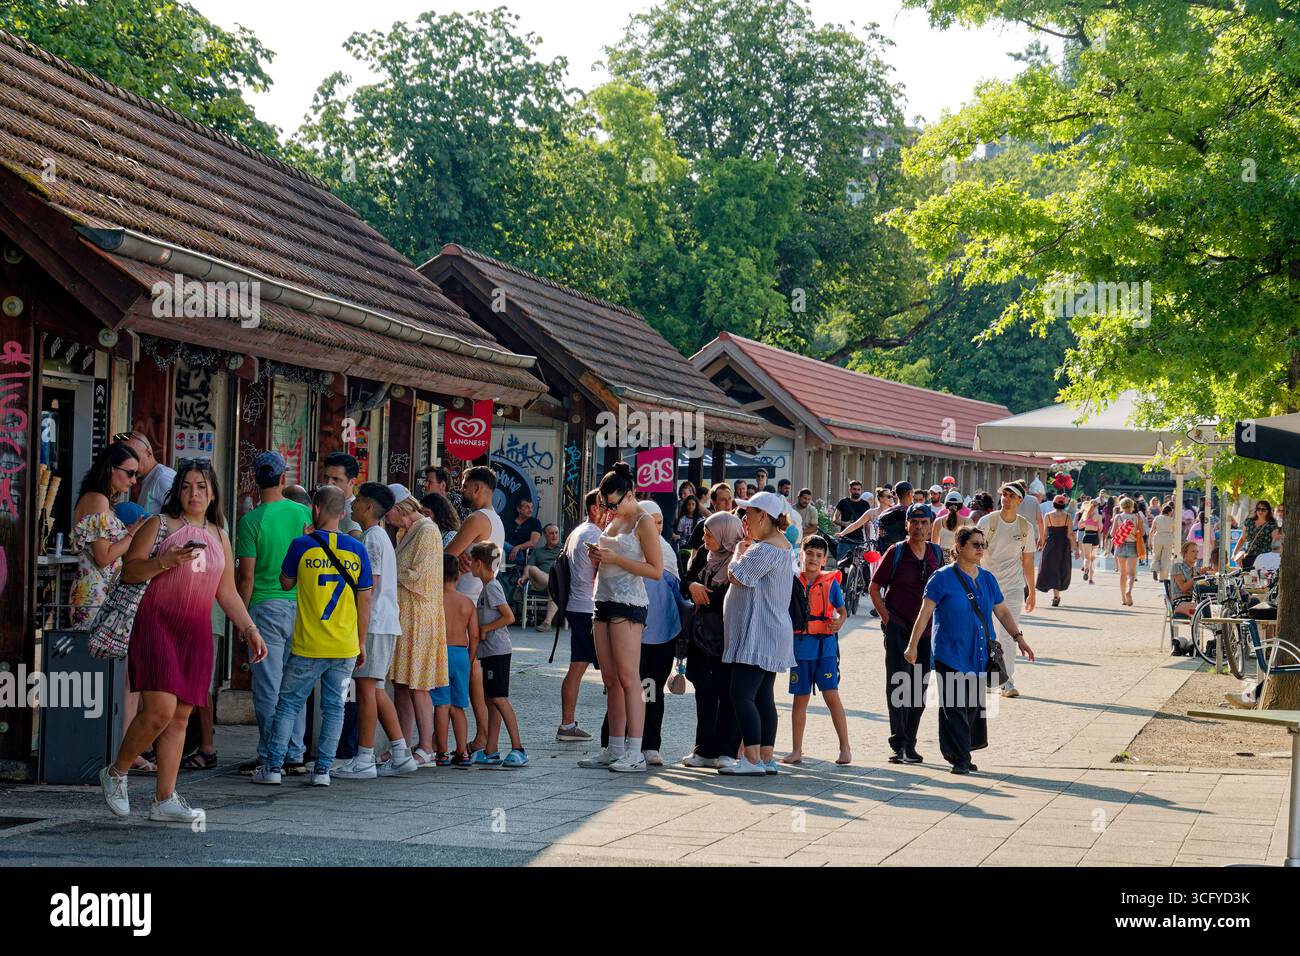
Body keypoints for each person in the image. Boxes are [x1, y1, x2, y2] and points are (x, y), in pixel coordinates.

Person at [100, 460, 267, 821]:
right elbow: (129, 571)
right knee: (159, 711)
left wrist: (249, 628)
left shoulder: (218, 534)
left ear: (213, 493)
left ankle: (165, 800)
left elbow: (228, 593)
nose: (195, 494)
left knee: (180, 717)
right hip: (156, 624)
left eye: (202, 487)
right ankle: (116, 772)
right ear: (178, 491)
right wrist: (164, 561)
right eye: (188, 486)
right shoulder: (158, 525)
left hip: (195, 631)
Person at [251, 485, 371, 787]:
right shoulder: (358, 550)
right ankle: (323, 772)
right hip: (344, 646)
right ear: (343, 513)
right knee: (335, 707)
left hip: (307, 645)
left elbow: (285, 582)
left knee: (288, 704)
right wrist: (362, 642)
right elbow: (365, 600)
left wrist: (307, 538)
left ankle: (274, 768)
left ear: (314, 510)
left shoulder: (301, 545)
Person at [905, 526, 1035, 774]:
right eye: (975, 544)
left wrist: (1019, 638)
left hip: (979, 654)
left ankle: (962, 752)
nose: (980, 549)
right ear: (959, 547)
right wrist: (912, 646)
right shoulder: (942, 578)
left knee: (971, 707)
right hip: (949, 652)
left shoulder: (987, 578)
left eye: (982, 545)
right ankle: (960, 759)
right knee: (954, 706)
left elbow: (1003, 612)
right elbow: (925, 614)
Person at [577, 462, 664, 772]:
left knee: (629, 677)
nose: (610, 509)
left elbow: (655, 570)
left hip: (628, 601)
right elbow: (611, 556)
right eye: (606, 504)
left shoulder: (643, 521)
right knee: (610, 679)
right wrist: (598, 556)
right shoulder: (614, 519)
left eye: (614, 503)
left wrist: (617, 559)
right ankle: (613, 747)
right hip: (603, 598)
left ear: (630, 494)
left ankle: (635, 750)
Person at [234, 451, 313, 777]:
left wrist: (243, 620)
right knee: (296, 684)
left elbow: (247, 576)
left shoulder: (251, 521)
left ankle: (271, 752)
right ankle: (294, 752)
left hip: (265, 608)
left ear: (256, 479)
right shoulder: (303, 513)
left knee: (268, 685)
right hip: (302, 606)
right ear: (283, 479)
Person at [332, 483, 418, 779]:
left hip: (374, 622)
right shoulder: (378, 536)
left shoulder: (371, 539)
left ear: (369, 507)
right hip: (382, 622)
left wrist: (358, 629)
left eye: (357, 502)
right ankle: (400, 753)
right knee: (376, 689)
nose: (351, 506)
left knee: (366, 690)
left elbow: (368, 585)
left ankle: (365, 757)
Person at [598, 500, 686, 766]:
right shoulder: (626, 540)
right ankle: (613, 742)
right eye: (651, 520)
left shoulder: (666, 551)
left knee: (651, 688)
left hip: (660, 631)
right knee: (622, 683)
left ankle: (648, 744)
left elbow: (671, 591)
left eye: (659, 522)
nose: (655, 527)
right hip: (630, 626)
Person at [716, 491, 795, 776]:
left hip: (759, 632)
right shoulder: (779, 546)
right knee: (762, 696)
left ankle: (751, 759)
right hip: (769, 631)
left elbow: (737, 575)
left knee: (742, 693)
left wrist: (738, 552)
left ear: (764, 516)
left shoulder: (766, 549)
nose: (744, 520)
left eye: (748, 514)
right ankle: (765, 757)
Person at [870, 504, 944, 764]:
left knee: (919, 688)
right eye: (914, 522)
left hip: (926, 632)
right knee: (898, 684)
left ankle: (911, 743)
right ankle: (897, 743)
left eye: (924, 523)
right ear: (906, 525)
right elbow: (874, 587)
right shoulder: (896, 552)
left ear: (930, 525)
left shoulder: (936, 553)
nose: (919, 527)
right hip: (899, 627)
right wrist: (888, 619)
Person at [445, 466, 505, 752]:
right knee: (473, 671)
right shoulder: (496, 520)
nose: (463, 490)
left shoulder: (477, 518)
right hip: (476, 599)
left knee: (469, 672)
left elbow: (446, 555)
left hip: (464, 599)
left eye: (466, 486)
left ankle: (479, 735)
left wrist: (456, 560)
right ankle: (482, 736)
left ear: (479, 488)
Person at [385, 485, 445, 767]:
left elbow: (419, 576)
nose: (386, 519)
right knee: (401, 683)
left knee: (417, 684)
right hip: (402, 615)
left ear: (399, 508)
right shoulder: (403, 532)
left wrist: (385, 571)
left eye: (388, 513)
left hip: (419, 616)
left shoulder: (427, 531)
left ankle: (427, 746)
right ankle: (401, 744)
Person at [680, 512, 743, 768]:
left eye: (709, 534)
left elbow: (730, 594)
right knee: (704, 692)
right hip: (702, 634)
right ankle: (704, 749)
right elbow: (687, 580)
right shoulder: (706, 556)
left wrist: (703, 594)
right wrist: (692, 587)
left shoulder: (740, 557)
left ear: (724, 535)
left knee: (729, 693)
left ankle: (727, 751)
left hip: (729, 634)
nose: (704, 539)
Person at [783, 535, 849, 765]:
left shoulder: (831, 583)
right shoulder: (791, 581)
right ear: (801, 554)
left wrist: (839, 622)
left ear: (825, 560)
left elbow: (842, 611)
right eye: (809, 553)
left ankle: (845, 748)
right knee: (799, 700)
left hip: (825, 648)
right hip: (800, 649)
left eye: (818, 555)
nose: (813, 558)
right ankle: (796, 750)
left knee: (832, 696)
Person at [71, 443, 143, 629]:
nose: (134, 480)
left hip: (98, 591)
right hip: (96, 594)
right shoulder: (98, 500)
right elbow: (103, 557)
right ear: (111, 469)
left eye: (136, 474)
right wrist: (132, 535)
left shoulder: (98, 499)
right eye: (130, 473)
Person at [468, 542, 527, 767]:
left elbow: (508, 616)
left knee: (499, 699)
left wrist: (485, 629)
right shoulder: (486, 588)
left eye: (472, 561)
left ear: (479, 563)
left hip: (498, 651)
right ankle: (491, 749)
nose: (469, 566)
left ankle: (518, 747)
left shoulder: (492, 587)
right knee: (490, 699)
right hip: (489, 652)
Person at [975, 481, 1036, 697]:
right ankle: (984, 676)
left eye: (1011, 495)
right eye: (1004, 494)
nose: (1006, 498)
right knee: (985, 632)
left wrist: (1032, 592)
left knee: (1009, 634)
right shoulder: (987, 521)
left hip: (1012, 587)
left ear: (1020, 500)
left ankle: (1007, 681)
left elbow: (1028, 562)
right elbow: (973, 553)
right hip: (986, 586)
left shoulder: (1025, 527)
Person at [557, 490, 604, 743]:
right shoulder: (594, 534)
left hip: (577, 605)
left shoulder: (577, 531)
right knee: (612, 672)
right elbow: (603, 571)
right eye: (605, 506)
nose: (610, 511)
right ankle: (622, 729)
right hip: (589, 608)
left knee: (577, 666)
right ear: (595, 508)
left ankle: (567, 724)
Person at [438, 555, 479, 765]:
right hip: (461, 654)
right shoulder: (467, 603)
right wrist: (470, 659)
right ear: (458, 575)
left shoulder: (435, 600)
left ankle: (442, 752)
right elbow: (474, 635)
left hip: (440, 654)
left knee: (442, 705)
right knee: (459, 707)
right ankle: (462, 752)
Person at [115, 431, 175, 515]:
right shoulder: (151, 477)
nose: (130, 462)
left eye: (134, 456)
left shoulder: (162, 477)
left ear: (149, 453)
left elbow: (180, 516)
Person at [517, 522, 563, 630]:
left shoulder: (565, 549)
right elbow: (529, 567)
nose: (554, 536)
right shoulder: (538, 551)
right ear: (545, 535)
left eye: (556, 533)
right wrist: (524, 576)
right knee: (532, 568)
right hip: (541, 581)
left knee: (556, 584)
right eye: (551, 533)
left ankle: (547, 623)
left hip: (558, 581)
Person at [1036, 494, 1079, 607]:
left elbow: (1045, 533)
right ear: (1064, 504)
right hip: (1063, 546)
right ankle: (1056, 595)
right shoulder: (1068, 516)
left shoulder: (1048, 516)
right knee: (1061, 569)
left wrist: (1041, 544)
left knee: (1049, 568)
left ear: (1054, 504)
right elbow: (1070, 534)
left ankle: (1054, 594)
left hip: (1051, 545)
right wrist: (1076, 549)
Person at [1111, 497, 1145, 606]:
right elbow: (1143, 533)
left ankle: (1123, 598)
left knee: (1123, 574)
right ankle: (1129, 591)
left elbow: (1112, 534)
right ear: (1132, 506)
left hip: (1120, 546)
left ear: (1121, 506)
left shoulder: (1118, 517)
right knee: (1132, 574)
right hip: (1133, 546)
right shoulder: (1136, 516)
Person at [320, 451, 362, 538]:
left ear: (352, 482)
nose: (328, 483)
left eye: (336, 479)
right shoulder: (331, 504)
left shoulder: (352, 513)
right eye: (325, 477)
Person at [1234, 500, 1281, 570]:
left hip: (1264, 557)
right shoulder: (1249, 522)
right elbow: (1242, 539)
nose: (1260, 511)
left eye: (1263, 509)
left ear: (1268, 511)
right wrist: (1235, 553)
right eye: (1258, 509)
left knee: (1261, 579)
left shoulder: (1272, 524)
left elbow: (1274, 541)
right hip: (1249, 556)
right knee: (1247, 579)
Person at [687, 482, 734, 551]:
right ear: (713, 502)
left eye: (729, 499)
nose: (728, 503)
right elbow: (693, 557)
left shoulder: (738, 525)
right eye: (723, 500)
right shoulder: (702, 526)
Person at [932, 490, 973, 559]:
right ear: (961, 505)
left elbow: (933, 547)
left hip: (943, 563)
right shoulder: (968, 521)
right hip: (961, 560)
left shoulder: (938, 522)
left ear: (946, 505)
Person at [505, 498, 542, 570]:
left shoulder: (535, 522)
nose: (530, 510)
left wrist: (518, 547)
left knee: (500, 543)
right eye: (527, 507)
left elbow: (533, 543)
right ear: (519, 509)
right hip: (504, 553)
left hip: (521, 555)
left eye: (531, 507)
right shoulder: (509, 521)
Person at [875, 481, 912, 551]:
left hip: (887, 553)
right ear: (909, 493)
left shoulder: (884, 513)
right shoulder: (911, 513)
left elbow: (880, 537)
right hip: (904, 552)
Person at [1150, 502, 1179, 582]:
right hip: (1168, 538)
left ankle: (1155, 569)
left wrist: (1149, 540)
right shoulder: (1172, 520)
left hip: (1158, 537)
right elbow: (1174, 530)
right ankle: (1163, 577)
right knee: (1166, 559)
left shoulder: (1157, 518)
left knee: (1156, 555)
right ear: (1169, 512)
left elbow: (1152, 530)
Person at [1077, 496, 1102, 583]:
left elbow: (1079, 526)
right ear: (1096, 507)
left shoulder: (1085, 514)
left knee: (1087, 558)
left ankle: (1086, 569)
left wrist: (1086, 524)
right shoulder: (1098, 516)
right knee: (1092, 559)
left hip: (1086, 535)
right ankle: (1091, 579)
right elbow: (1101, 528)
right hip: (1094, 536)